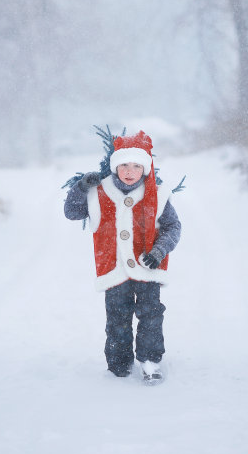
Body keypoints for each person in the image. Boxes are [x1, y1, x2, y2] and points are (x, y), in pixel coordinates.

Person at [64, 130, 181, 384]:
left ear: (145, 169)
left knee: (151, 314)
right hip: (113, 268)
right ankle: (119, 363)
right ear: (116, 167)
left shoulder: (158, 195)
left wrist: (159, 251)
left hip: (148, 266)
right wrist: (81, 186)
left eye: (137, 166)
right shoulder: (99, 192)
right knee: (117, 317)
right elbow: (72, 212)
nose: (130, 171)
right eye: (124, 165)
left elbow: (173, 227)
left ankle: (150, 361)